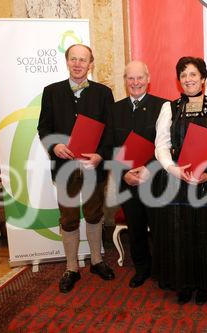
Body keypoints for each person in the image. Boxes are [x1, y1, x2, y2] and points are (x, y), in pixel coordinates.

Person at [153, 56, 207, 305]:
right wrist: (172, 168)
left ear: (203, 79)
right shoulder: (169, 108)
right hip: (177, 180)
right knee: (180, 232)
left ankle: (205, 284)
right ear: (178, 81)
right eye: (183, 75)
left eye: (193, 74)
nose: (188, 79)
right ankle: (184, 283)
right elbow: (161, 144)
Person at [38, 44, 115, 293]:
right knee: (68, 218)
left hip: (94, 167)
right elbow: (44, 129)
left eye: (83, 60)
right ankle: (71, 267)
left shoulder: (103, 93)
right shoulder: (51, 92)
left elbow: (111, 130)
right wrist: (55, 146)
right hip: (64, 167)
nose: (78, 64)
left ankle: (96, 260)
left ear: (91, 63)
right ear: (67, 61)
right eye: (74, 59)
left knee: (94, 214)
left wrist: (100, 156)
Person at [102, 61, 167, 288]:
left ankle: (162, 270)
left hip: (156, 180)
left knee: (160, 229)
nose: (135, 83)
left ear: (148, 79)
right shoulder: (114, 109)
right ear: (125, 80)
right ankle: (142, 269)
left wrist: (149, 168)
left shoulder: (164, 107)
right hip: (127, 181)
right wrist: (125, 174)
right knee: (136, 229)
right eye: (131, 78)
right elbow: (109, 147)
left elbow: (168, 146)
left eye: (140, 78)